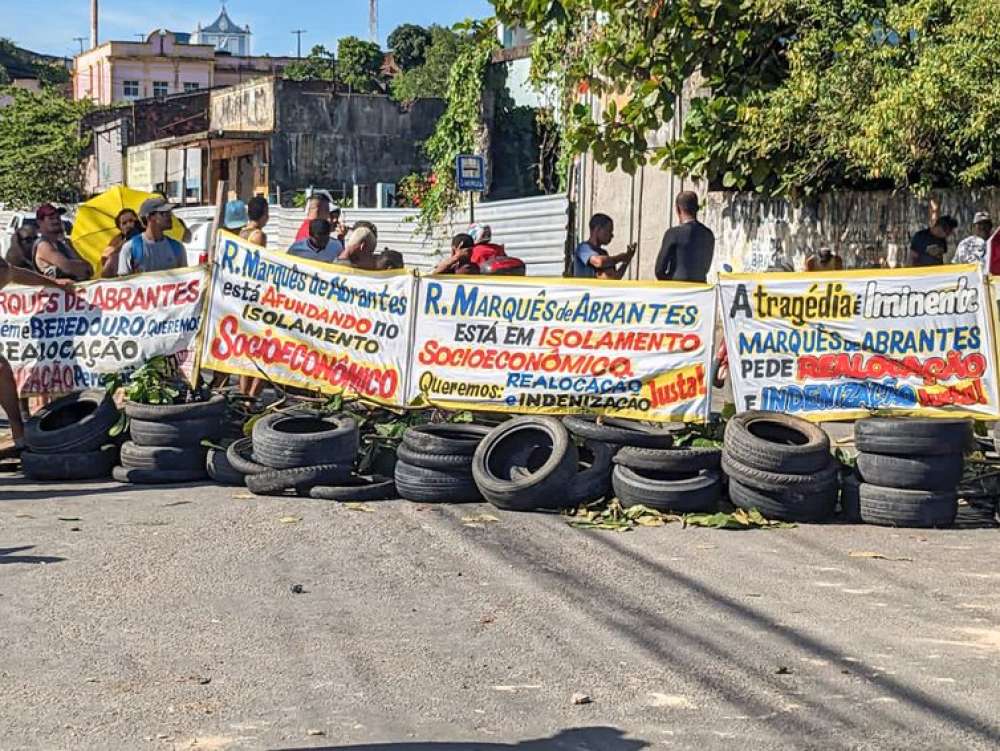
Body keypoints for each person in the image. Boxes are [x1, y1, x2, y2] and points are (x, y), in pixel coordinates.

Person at [0, 256, 73, 460]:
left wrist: (53, 283)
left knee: (2, 369)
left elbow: (15, 273)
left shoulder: (4, 270)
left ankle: (18, 432)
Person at [655, 191, 715, 283]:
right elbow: (706, 268)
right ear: (697, 209)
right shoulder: (708, 234)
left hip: (677, 291)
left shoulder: (673, 234)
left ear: (678, 210)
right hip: (700, 290)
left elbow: (659, 271)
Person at [118, 197, 186, 275]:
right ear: (149, 217)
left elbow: (185, 280)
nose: (169, 216)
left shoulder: (177, 248)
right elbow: (124, 283)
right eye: (163, 213)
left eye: (169, 212)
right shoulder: (130, 248)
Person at [33, 203, 92, 281]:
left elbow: (90, 269)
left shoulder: (64, 243)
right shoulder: (43, 245)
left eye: (58, 218)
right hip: (54, 291)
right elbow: (67, 267)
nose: (56, 221)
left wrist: (67, 245)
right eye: (51, 218)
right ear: (40, 222)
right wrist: (81, 267)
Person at [573, 213, 635, 279]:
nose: (612, 235)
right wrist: (621, 257)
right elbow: (599, 262)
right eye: (609, 231)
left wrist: (627, 260)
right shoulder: (583, 248)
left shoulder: (604, 253)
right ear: (597, 230)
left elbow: (614, 277)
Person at [100, 209, 142, 278]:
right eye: (124, 223)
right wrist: (125, 241)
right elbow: (105, 259)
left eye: (131, 221)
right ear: (120, 227)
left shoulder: (146, 233)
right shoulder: (116, 240)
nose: (128, 225)